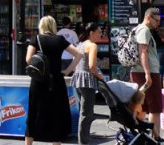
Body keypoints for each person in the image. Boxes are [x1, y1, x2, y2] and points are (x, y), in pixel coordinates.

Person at [24, 15, 81, 145]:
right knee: (56, 115)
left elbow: (28, 59)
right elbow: (78, 54)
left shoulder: (36, 39)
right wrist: (67, 71)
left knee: (34, 114)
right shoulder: (60, 40)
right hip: (56, 82)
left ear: (41, 26)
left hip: (39, 81)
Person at [70, 22, 107, 144]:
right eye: (99, 32)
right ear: (92, 33)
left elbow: (75, 63)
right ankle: (83, 141)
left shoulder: (80, 44)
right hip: (87, 81)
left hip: (78, 79)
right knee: (87, 114)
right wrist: (99, 75)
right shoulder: (92, 46)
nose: (101, 34)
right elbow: (91, 66)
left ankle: (83, 139)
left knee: (84, 112)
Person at [131, 7, 162, 139]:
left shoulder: (137, 29)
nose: (158, 23)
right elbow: (142, 51)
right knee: (155, 108)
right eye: (156, 20)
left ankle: (140, 136)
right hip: (148, 72)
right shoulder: (144, 30)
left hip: (138, 71)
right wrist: (147, 74)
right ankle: (156, 138)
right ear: (148, 17)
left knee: (141, 107)